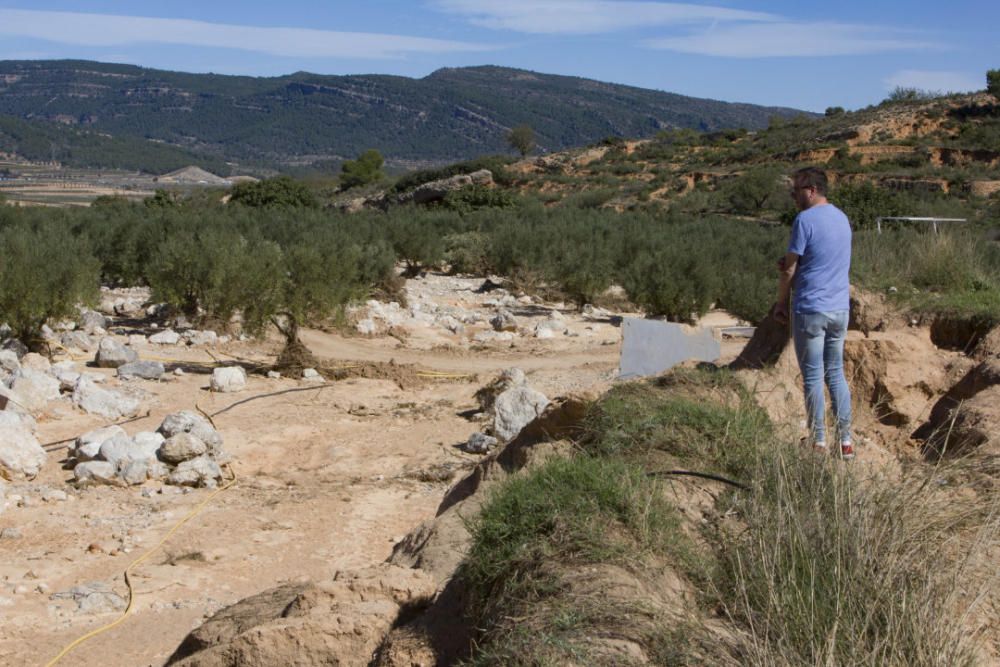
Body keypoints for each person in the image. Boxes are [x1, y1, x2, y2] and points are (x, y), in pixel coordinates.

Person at [773, 167, 854, 459]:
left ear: (810, 190)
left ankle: (818, 440)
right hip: (839, 309)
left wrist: (781, 303)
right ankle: (846, 441)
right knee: (836, 374)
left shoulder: (804, 220)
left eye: (796, 192)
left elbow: (791, 268)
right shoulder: (842, 218)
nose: (794, 198)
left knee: (812, 376)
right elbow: (824, 257)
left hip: (811, 308)